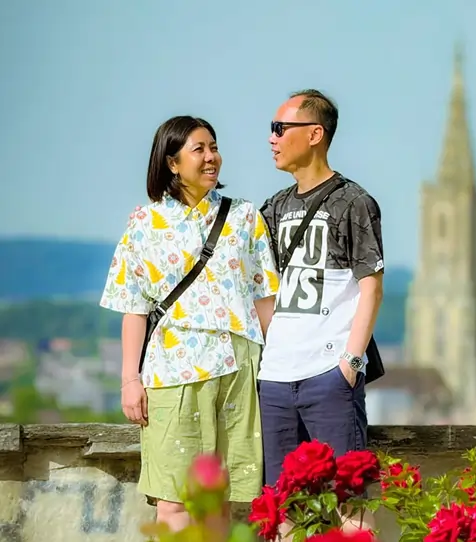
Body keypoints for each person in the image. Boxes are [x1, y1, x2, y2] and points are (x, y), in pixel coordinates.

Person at [99, 115, 279, 533]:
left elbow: (264, 299)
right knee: (175, 501)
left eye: (214, 147)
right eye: (199, 149)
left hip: (238, 370)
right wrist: (129, 380)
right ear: (172, 162)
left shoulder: (244, 217)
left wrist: (276, 369)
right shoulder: (144, 224)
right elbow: (133, 307)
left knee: (219, 502)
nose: (211, 157)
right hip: (173, 372)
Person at [259, 90, 385, 532]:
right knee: (282, 509)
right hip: (276, 378)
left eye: (280, 128)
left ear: (314, 134)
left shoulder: (353, 202)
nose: (272, 138)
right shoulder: (273, 208)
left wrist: (350, 363)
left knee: (350, 504)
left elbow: (372, 287)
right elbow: (263, 289)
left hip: (329, 375)